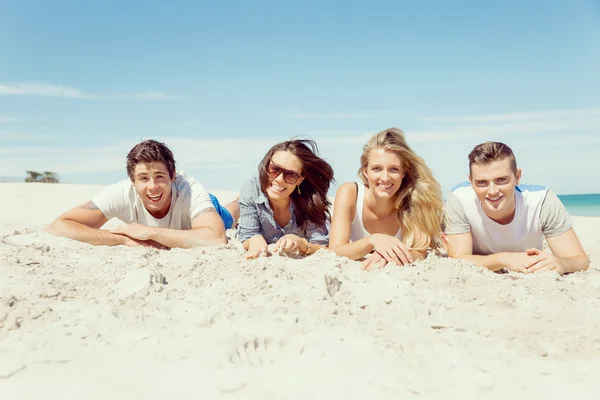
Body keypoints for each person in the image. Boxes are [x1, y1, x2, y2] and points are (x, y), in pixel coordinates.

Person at [45, 139, 239, 249]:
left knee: (229, 216)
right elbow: (57, 227)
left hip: (200, 209)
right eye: (144, 178)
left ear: (173, 176)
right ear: (133, 181)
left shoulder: (191, 190)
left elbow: (216, 238)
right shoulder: (122, 192)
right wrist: (123, 239)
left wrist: (150, 233)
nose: (153, 186)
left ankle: (239, 201)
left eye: (160, 176)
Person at [444, 141, 589, 275]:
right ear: (470, 181)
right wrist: (503, 259)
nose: (493, 191)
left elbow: (580, 260)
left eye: (501, 180)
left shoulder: (542, 201)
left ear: (517, 176)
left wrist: (561, 263)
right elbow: (459, 260)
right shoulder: (460, 199)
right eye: (482, 182)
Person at [329, 127, 445, 270]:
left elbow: (420, 252)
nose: (385, 178)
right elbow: (335, 250)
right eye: (377, 168)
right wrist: (372, 240)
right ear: (365, 171)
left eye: (393, 169)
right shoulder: (350, 193)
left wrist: (390, 255)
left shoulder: (414, 199)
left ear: (404, 172)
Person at [237, 139, 334, 259]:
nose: (279, 179)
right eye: (274, 170)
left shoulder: (310, 200)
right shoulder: (251, 188)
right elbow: (246, 235)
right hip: (250, 199)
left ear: (300, 179)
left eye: (290, 175)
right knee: (232, 211)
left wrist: (301, 243)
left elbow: (323, 245)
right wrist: (254, 239)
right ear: (266, 166)